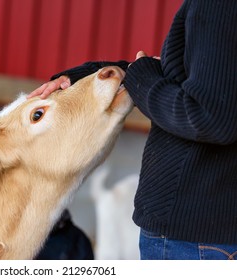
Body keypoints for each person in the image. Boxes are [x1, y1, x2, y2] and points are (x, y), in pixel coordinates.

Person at [27, 0, 237, 260]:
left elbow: (209, 116)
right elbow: (200, 80)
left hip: (196, 237)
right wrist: (89, 77)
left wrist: (141, 77)